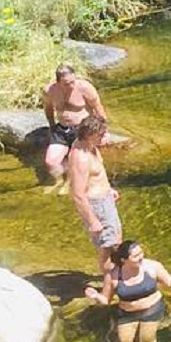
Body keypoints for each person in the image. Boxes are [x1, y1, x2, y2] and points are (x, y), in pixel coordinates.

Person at [66, 115, 121, 274]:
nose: (105, 137)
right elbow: (78, 194)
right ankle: (109, 285)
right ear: (90, 134)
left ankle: (115, 279)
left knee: (116, 241)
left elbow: (98, 173)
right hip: (97, 206)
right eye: (101, 135)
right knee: (108, 248)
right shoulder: (80, 158)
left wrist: (108, 189)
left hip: (106, 199)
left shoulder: (90, 146)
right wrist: (92, 221)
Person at [42, 64, 107, 189]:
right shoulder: (49, 91)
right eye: (66, 83)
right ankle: (59, 180)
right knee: (51, 162)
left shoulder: (84, 87)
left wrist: (103, 132)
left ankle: (70, 182)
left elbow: (98, 108)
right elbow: (48, 108)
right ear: (58, 81)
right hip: (61, 128)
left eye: (73, 81)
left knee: (80, 159)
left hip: (82, 129)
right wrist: (52, 126)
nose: (71, 86)